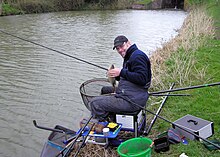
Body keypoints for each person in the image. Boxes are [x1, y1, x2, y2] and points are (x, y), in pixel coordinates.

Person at [89, 35, 151, 121]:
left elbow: (142, 79)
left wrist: (121, 72)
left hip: (132, 101)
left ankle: (105, 124)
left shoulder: (137, 56)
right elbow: (130, 77)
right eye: (118, 48)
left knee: (94, 103)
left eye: (122, 46)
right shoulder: (130, 56)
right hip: (133, 93)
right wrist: (117, 75)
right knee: (105, 90)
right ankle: (111, 115)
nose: (120, 50)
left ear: (128, 43)